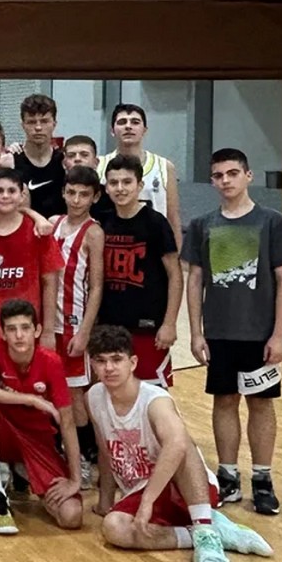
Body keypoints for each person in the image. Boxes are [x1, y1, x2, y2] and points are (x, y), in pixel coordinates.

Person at [86, 324, 271, 562]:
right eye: (101, 361)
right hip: (140, 490)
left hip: (184, 488)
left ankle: (206, 535)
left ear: (133, 362)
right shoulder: (94, 397)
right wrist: (105, 501)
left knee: (179, 441)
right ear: (92, 365)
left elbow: (176, 446)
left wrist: (148, 501)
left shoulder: (155, 400)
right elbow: (105, 450)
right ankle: (203, 532)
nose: (109, 368)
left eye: (116, 359)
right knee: (114, 528)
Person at [183, 148, 282, 516]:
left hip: (259, 333)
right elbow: (195, 279)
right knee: (224, 401)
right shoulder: (201, 225)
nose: (225, 180)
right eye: (218, 175)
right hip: (219, 333)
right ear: (212, 180)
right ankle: (228, 476)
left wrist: (279, 335)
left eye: (232, 173)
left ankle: (262, 479)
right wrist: (196, 332)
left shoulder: (273, 223)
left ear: (248, 176)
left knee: (261, 403)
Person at [0, 299, 84, 535]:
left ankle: (21, 470)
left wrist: (75, 480)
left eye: (25, 328)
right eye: (12, 329)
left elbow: (67, 422)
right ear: (2, 333)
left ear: (37, 330)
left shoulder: (51, 361)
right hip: (1, 431)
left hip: (36, 439)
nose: (19, 335)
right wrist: (30, 399)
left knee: (71, 516)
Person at [0, 167, 63, 371]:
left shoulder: (37, 231)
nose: (5, 196)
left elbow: (50, 282)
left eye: (11, 191)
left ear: (22, 195)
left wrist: (48, 331)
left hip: (22, 332)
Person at [96, 155, 182, 388]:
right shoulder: (102, 223)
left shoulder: (156, 223)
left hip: (148, 326)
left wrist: (169, 323)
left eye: (127, 182)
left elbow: (175, 275)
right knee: (113, 390)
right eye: (114, 183)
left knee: (152, 394)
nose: (120, 188)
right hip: (109, 325)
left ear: (140, 185)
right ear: (106, 187)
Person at [54, 167, 106, 485]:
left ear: (95, 197)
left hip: (74, 325)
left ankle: (86, 455)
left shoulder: (94, 232)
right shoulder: (54, 223)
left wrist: (86, 330)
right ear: (63, 192)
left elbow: (97, 286)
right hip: (49, 323)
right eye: (71, 192)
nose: (76, 199)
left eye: (83, 194)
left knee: (74, 398)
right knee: (52, 393)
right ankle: (62, 451)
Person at [100, 104, 181, 234]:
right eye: (122, 122)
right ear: (112, 131)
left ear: (144, 130)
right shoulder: (99, 166)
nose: (128, 126)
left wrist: (177, 247)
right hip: (112, 241)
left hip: (153, 241)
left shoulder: (164, 166)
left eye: (135, 122)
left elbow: (173, 217)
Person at [11, 93, 67, 219]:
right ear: (23, 125)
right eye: (31, 122)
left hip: (57, 230)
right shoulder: (10, 162)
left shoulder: (64, 162)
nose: (38, 127)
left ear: (54, 124)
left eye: (44, 121)